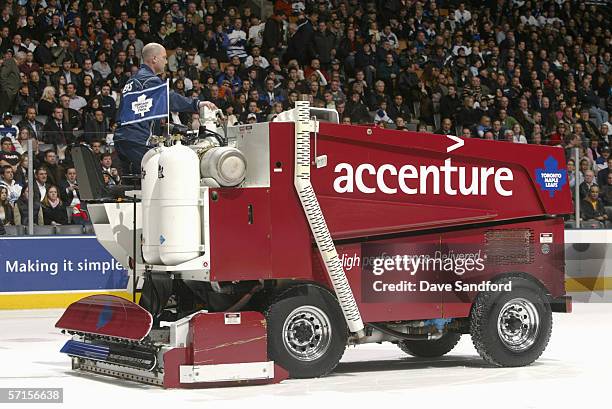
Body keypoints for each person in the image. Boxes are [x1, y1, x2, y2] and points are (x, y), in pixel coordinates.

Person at [113, 43, 217, 174]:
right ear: (154, 59)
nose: (166, 61)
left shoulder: (132, 80)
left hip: (122, 139)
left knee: (133, 185)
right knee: (161, 176)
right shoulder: (148, 79)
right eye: (164, 57)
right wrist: (196, 104)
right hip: (138, 140)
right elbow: (169, 98)